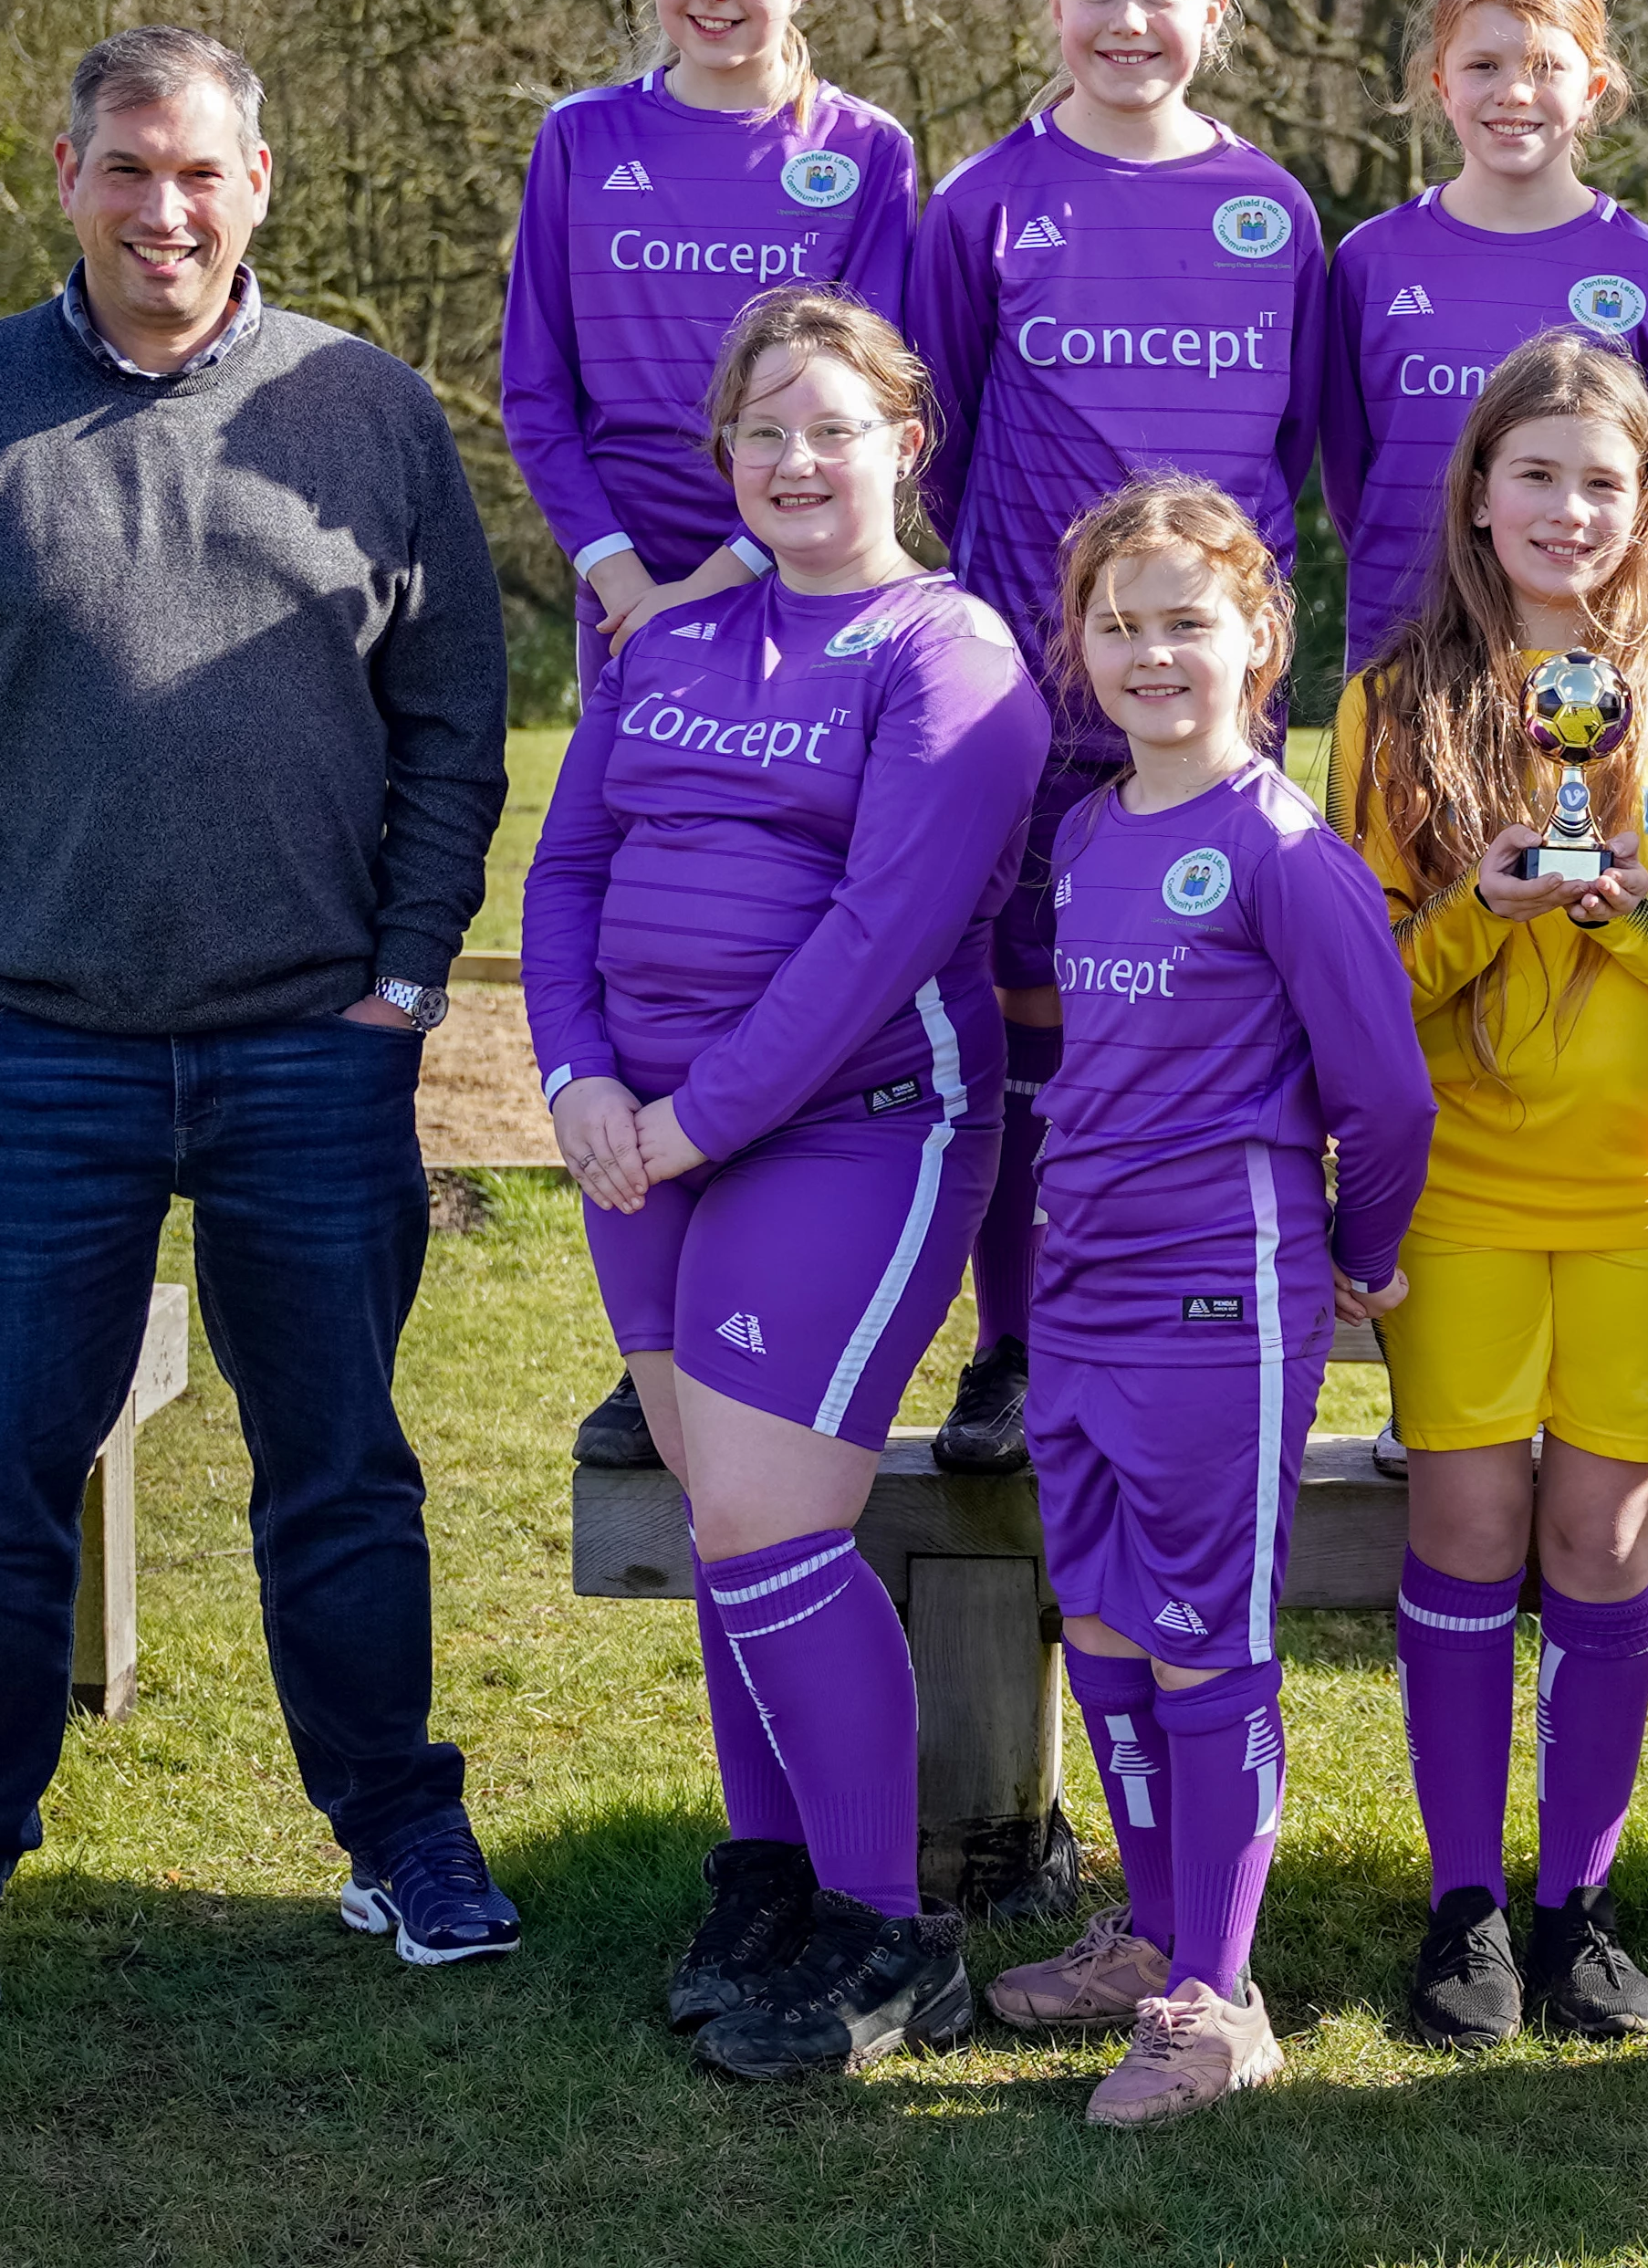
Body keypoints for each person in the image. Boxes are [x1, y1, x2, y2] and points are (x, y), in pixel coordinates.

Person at [0, 25, 516, 2018]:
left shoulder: (367, 412)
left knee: (343, 1471)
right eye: (128, 169)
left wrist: (404, 977)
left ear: (260, 181)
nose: (165, 209)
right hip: (32, 1057)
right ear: (67, 175)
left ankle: (396, 1828)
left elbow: (455, 724)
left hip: (313, 1054)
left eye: (201, 172)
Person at [522, 286, 1048, 2078]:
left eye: (832, 428)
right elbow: (570, 864)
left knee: (766, 1513)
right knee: (716, 1509)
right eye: (762, 433)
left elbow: (878, 931)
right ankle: (773, 1875)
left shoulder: (949, 653)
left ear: (906, 442)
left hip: (857, 1129)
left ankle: (895, 1930)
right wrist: (579, 1073)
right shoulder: (667, 642)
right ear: (725, 457)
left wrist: (694, 1120)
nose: (795, 462)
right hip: (640, 1136)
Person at [1328, 336, 1648, 2050]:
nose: (1568, 510)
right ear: (1477, 495)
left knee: (1598, 1536)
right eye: (1536, 474)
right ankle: (1461, 1905)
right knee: (1462, 1527)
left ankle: (1576, 1898)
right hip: (1456, 1189)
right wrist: (1487, 912)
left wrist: (1626, 918)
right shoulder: (1396, 702)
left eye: (1604, 481)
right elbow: (1362, 984)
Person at [974, 477, 1437, 2126]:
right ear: (1076, 648)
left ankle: (1218, 2000)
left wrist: (1363, 1248)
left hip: (1216, 1309)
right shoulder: (1092, 833)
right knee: (1098, 1623)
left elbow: (1383, 1097)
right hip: (1080, 1294)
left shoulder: (1281, 851)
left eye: (1187, 620)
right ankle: (1152, 1934)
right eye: (1118, 623)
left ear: (1258, 638)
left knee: (1204, 1642)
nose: (1151, 650)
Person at [495, 0, 924, 1483]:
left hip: (803, 592)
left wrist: (748, 564)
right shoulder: (579, 142)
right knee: (644, 941)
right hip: (634, 616)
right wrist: (624, 582)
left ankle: (777, 1306)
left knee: (792, 937)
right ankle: (651, 1332)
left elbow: (875, 391)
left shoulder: (866, 155)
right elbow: (539, 390)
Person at [903, 0, 1334, 1480]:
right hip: (1033, 718)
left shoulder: (1274, 211)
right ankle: (1015, 1344)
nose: (1129, 21)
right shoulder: (984, 203)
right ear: (1050, 4)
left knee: (1205, 1021)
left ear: (1215, 11)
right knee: (1036, 1024)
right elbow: (927, 445)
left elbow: (1290, 457)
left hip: (1216, 728)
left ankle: (1192, 1319)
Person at [1327, 0, 1648, 669]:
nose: (1514, 92)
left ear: (1593, 88)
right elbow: (1352, 487)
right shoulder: (1368, 262)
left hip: (1585, 665)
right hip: (1402, 648)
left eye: (1545, 67)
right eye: (1483, 65)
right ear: (1440, 81)